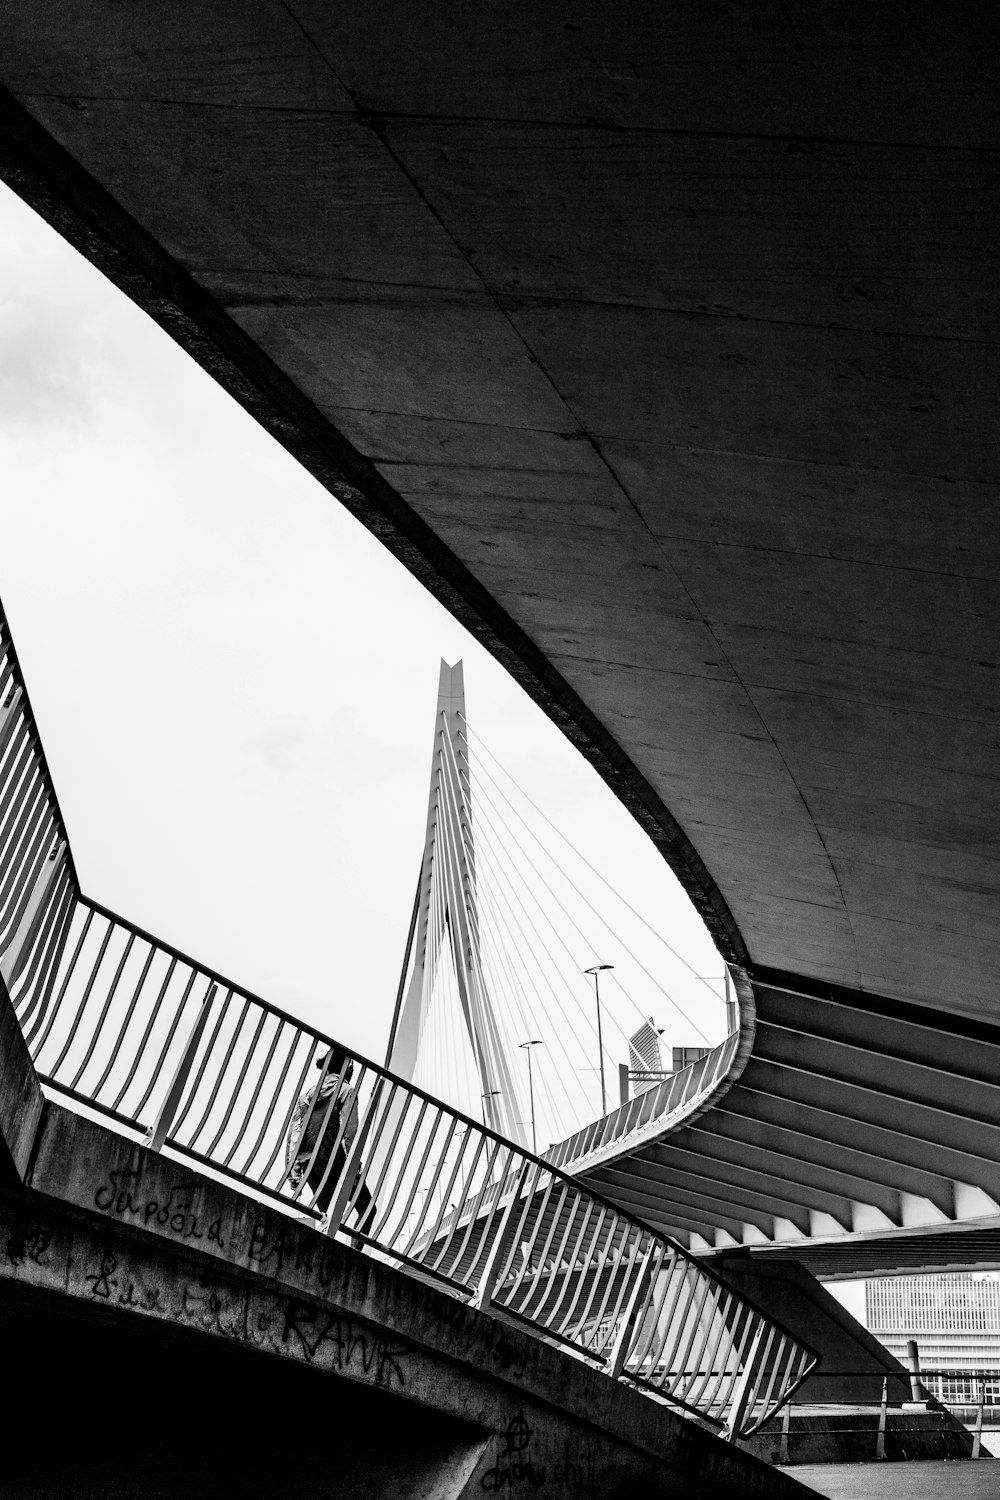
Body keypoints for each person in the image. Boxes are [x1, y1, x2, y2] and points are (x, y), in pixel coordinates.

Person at [286, 1046, 377, 1233]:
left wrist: (293, 1173)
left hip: (311, 1167)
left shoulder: (305, 1097)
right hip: (336, 1164)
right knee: (367, 1209)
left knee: (329, 1219)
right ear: (347, 1067)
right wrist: (353, 1167)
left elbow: (294, 1136)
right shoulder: (346, 1091)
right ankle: (355, 1257)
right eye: (351, 1066)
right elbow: (348, 1134)